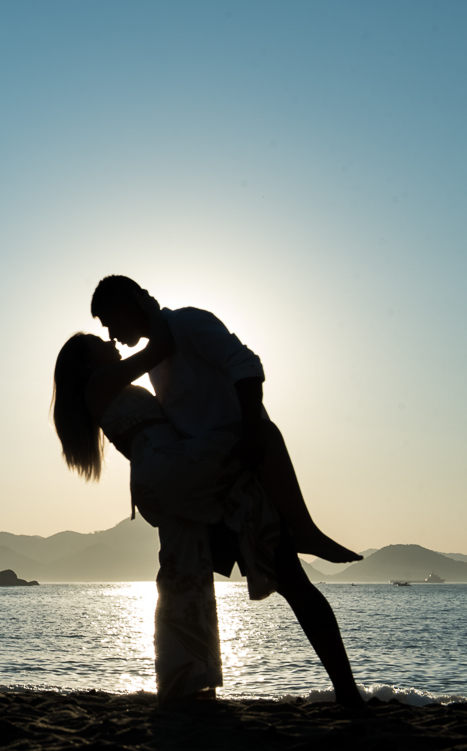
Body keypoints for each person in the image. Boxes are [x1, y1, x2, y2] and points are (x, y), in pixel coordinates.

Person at [52, 292, 364, 707]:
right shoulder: (104, 380)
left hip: (173, 483)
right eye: (100, 339)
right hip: (170, 472)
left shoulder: (120, 382)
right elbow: (162, 346)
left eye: (109, 328)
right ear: (87, 363)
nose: (109, 340)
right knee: (265, 438)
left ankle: (187, 689)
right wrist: (148, 305)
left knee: (185, 581)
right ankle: (305, 530)